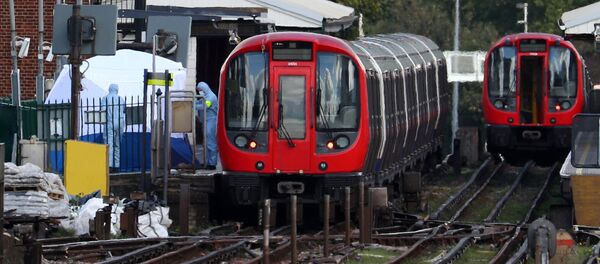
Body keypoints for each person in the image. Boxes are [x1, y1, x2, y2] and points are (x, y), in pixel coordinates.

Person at [102, 83, 126, 172]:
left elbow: (103, 110)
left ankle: (110, 165)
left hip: (109, 122)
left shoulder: (105, 98)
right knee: (117, 144)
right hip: (120, 123)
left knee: (109, 144)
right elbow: (123, 111)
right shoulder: (121, 99)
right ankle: (117, 165)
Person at [195, 82, 219, 170]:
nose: (199, 92)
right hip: (206, 121)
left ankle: (212, 163)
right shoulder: (205, 96)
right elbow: (199, 102)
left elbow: (205, 106)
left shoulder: (211, 97)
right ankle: (207, 162)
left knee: (211, 142)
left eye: (200, 90)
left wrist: (193, 105)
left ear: (204, 89)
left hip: (211, 121)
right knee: (206, 143)